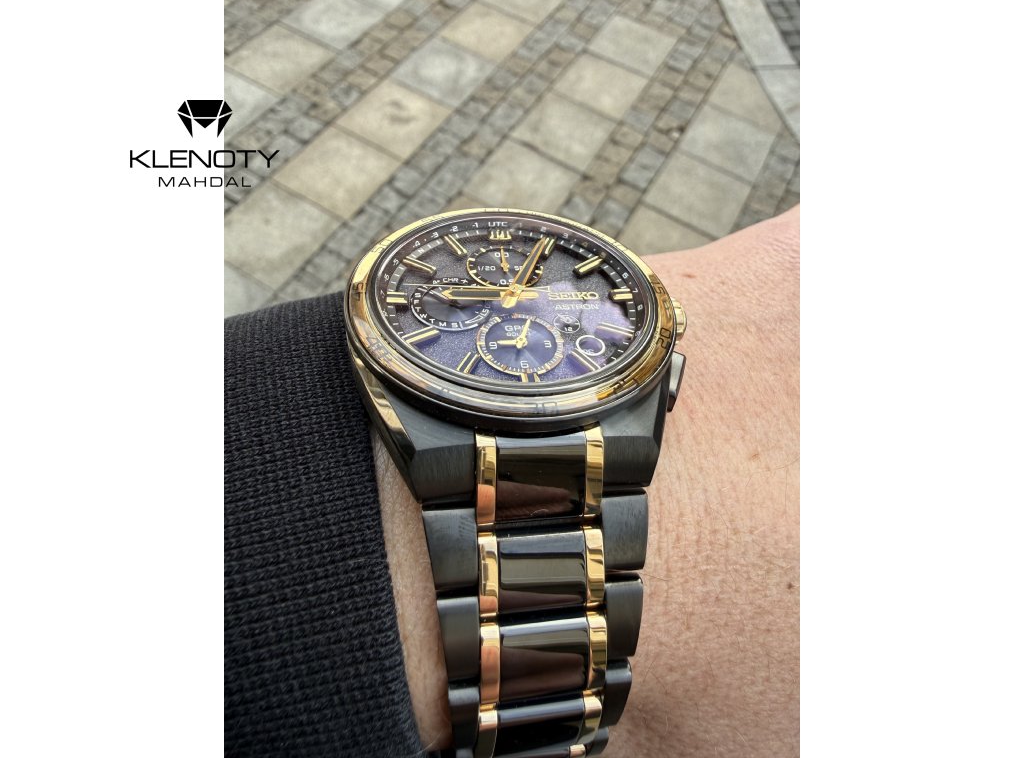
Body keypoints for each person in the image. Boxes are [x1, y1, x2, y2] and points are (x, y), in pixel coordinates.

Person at [225, 207, 800, 757]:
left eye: (522, 287)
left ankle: (544, 719)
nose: (509, 297)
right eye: (499, 293)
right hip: (442, 418)